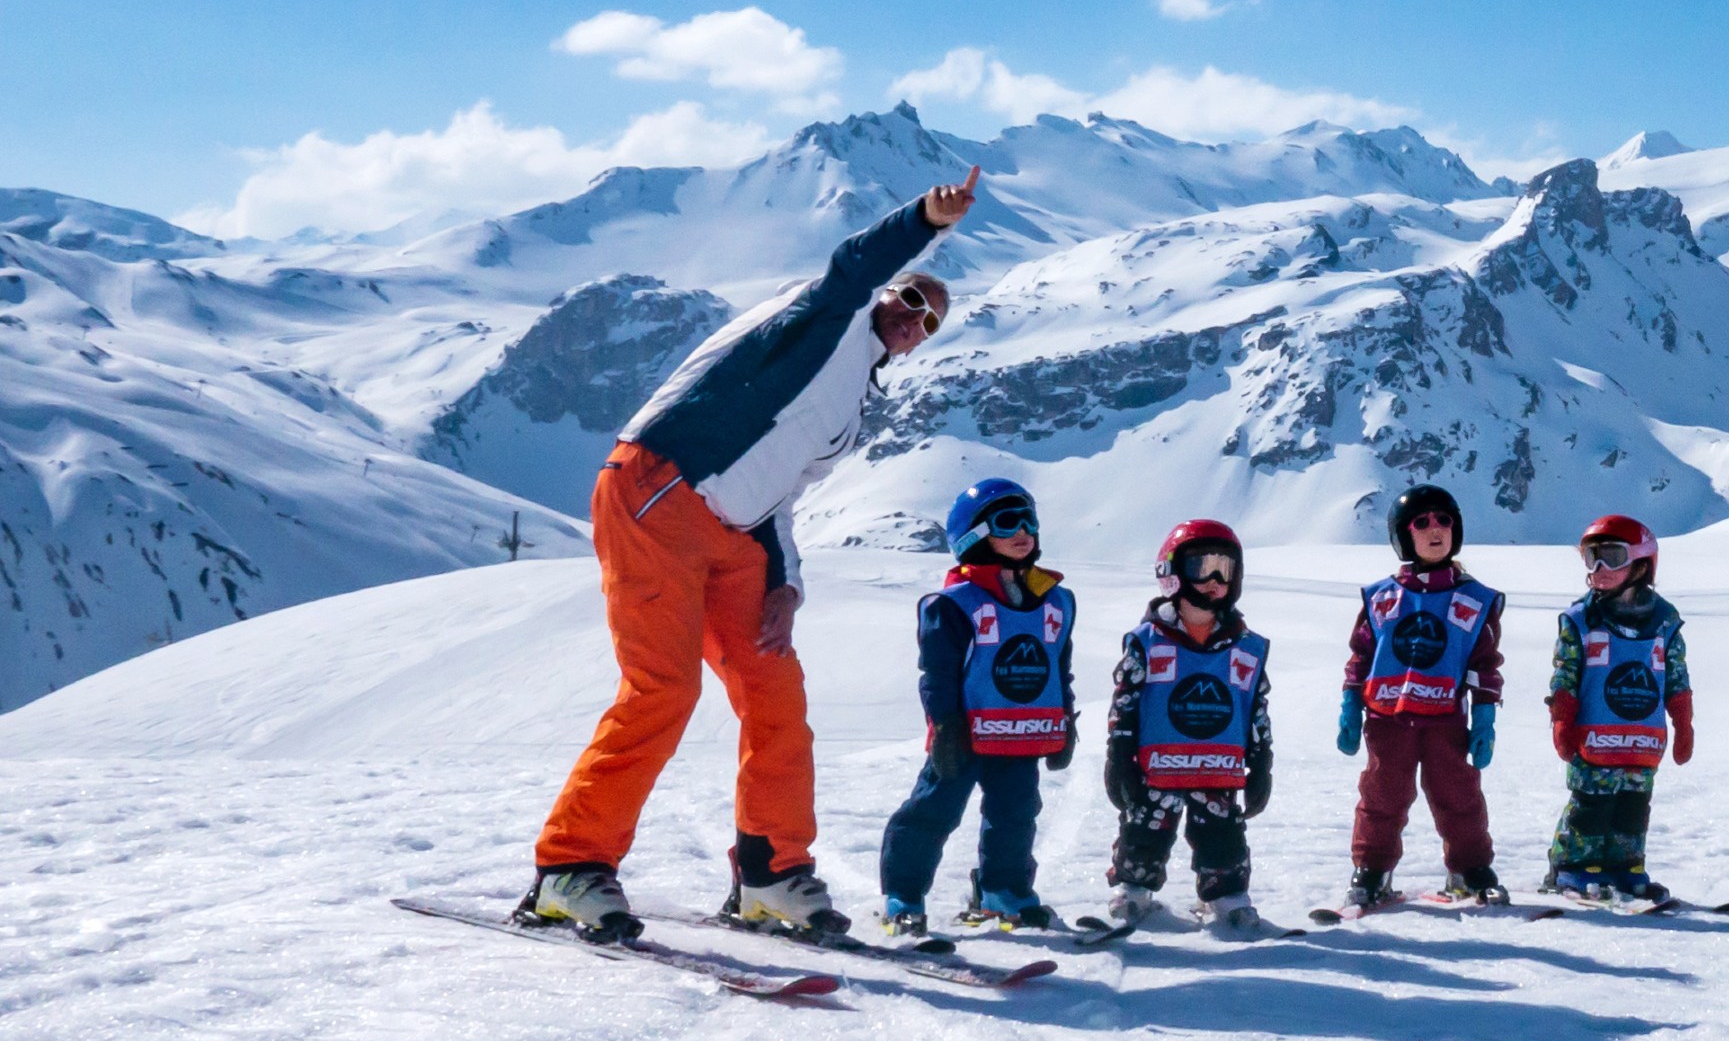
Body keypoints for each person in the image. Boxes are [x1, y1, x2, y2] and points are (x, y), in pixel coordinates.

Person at [523, 172, 980, 940]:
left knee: (776, 693)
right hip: (659, 489)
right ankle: (571, 867)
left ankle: (771, 872)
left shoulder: (851, 407)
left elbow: (781, 495)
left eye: (930, 322)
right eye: (911, 301)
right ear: (887, 294)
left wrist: (786, 585)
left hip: (736, 534)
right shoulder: (824, 318)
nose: (916, 321)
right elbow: (852, 267)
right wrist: (926, 221)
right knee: (662, 692)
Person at [879, 478, 1078, 934]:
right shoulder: (953, 604)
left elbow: (1055, 668)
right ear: (972, 535)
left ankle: (1004, 891)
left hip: (1022, 732)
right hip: (965, 734)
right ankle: (903, 895)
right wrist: (945, 726)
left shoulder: (1056, 601)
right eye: (1008, 522)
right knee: (933, 812)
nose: (1023, 530)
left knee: (1016, 814)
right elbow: (938, 674)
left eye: (1030, 520)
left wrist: (1064, 720)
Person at [1101, 520, 1278, 938]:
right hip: (1157, 766)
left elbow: (1256, 707)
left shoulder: (1246, 646)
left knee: (1222, 832)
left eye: (1225, 569)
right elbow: (1124, 703)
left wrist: (1262, 760)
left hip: (1218, 766)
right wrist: (1118, 756)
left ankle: (1227, 894)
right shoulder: (1148, 641)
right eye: (1203, 567)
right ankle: (1134, 887)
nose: (1215, 581)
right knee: (1144, 827)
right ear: (1172, 572)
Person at [1336, 484, 1507, 911]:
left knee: (1459, 796)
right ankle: (1372, 871)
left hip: (1445, 720)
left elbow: (1484, 663)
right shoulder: (1383, 597)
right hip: (1387, 719)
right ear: (1402, 535)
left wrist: (1484, 715)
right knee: (1382, 796)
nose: (1436, 530)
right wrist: (1350, 705)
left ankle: (1470, 869)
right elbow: (1361, 655)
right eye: (1422, 522)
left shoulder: (1473, 598)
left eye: (1445, 521)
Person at [1543, 514, 1693, 902]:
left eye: (1611, 556)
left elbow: (1675, 674)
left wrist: (1683, 720)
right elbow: (1566, 672)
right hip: (1593, 732)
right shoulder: (1581, 620)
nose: (1599, 569)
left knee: (1632, 804)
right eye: (1591, 557)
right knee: (1591, 803)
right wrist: (1562, 717)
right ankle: (1574, 866)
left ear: (1642, 563)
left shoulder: (1664, 622)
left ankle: (1625, 866)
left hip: (1642, 737)